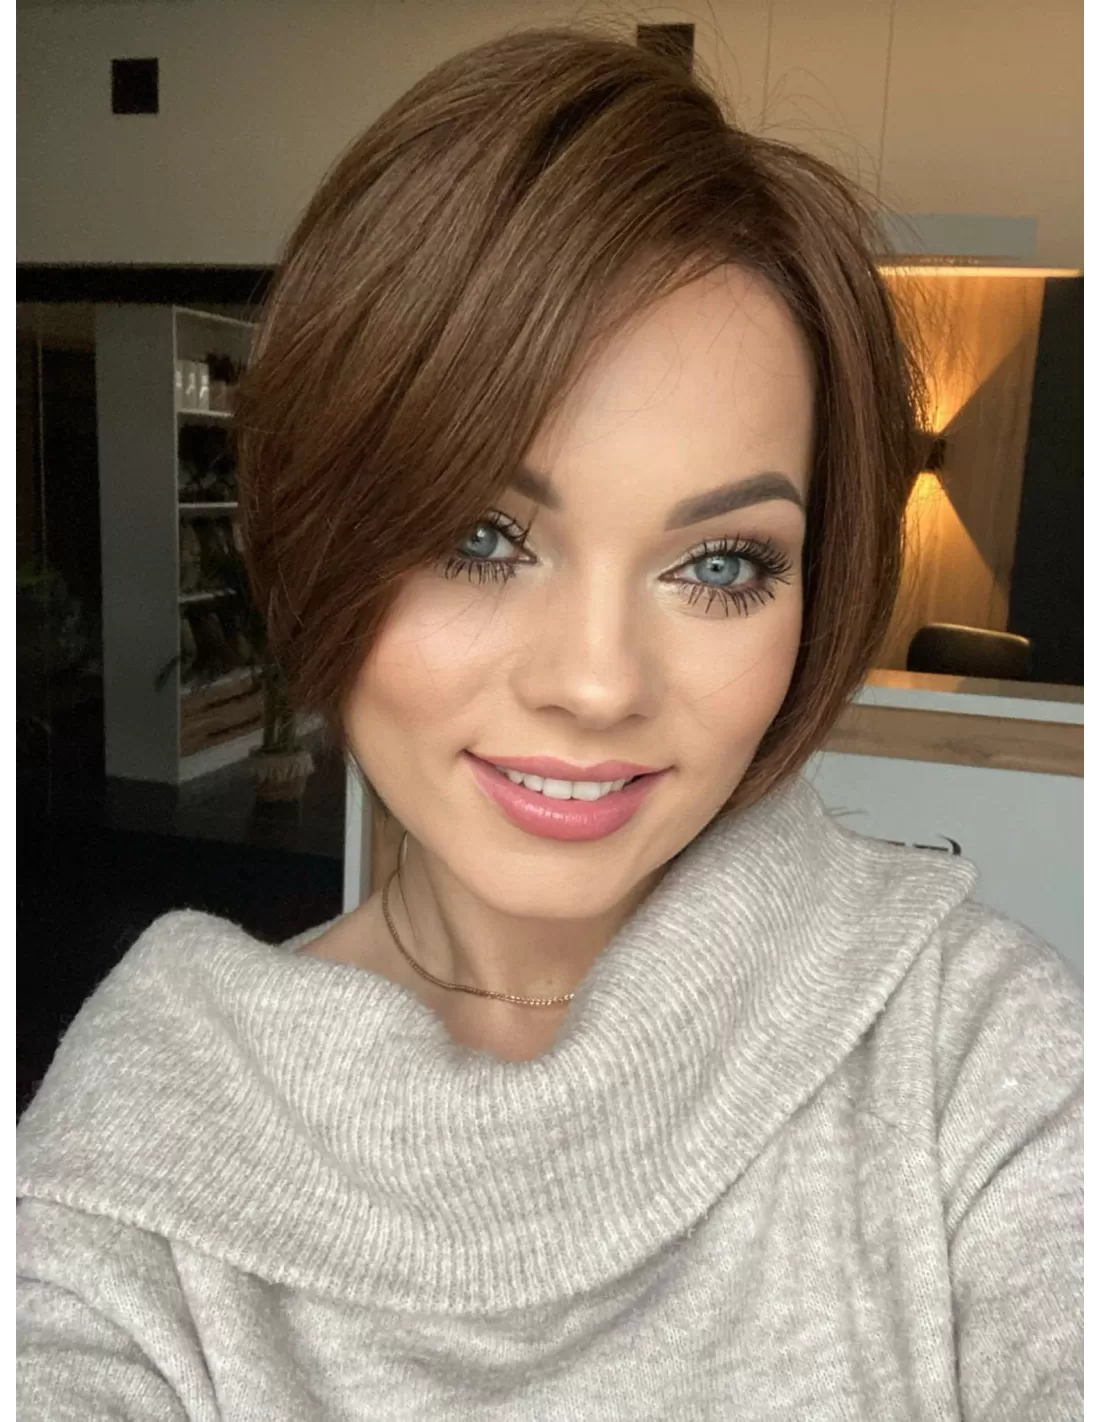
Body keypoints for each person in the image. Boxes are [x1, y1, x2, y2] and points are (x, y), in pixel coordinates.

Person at [17, 26, 1082, 1422]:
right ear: (321, 529)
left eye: (720, 562)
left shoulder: (974, 1051)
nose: (595, 682)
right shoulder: (147, 1134)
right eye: (480, 536)